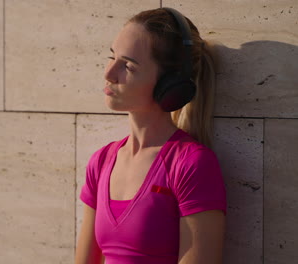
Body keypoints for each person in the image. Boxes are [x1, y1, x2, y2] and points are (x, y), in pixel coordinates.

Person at [75, 7, 227, 264]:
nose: (109, 73)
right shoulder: (101, 162)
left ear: (170, 84)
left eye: (128, 66)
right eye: (111, 57)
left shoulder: (191, 164)